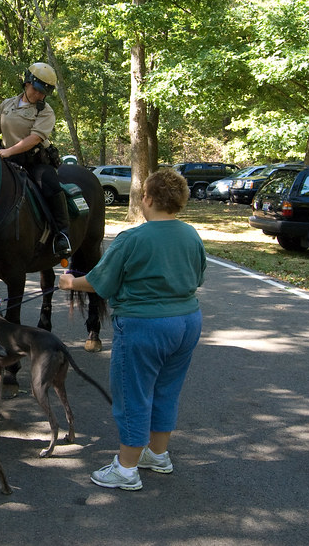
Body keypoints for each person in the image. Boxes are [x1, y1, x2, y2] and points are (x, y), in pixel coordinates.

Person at [58, 169, 206, 490]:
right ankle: (158, 454)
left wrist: (70, 282)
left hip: (145, 326)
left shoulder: (132, 238)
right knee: (166, 390)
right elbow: (198, 277)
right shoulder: (191, 234)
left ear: (147, 198)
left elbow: (101, 281)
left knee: (132, 395)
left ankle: (126, 469)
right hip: (187, 322)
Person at [0, 62, 71, 256]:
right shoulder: (7, 104)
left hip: (34, 162)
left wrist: (8, 152)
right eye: (36, 89)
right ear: (27, 83)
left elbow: (35, 138)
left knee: (50, 184)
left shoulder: (45, 111)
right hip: (6, 158)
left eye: (44, 92)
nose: (39, 95)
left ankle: (62, 234)